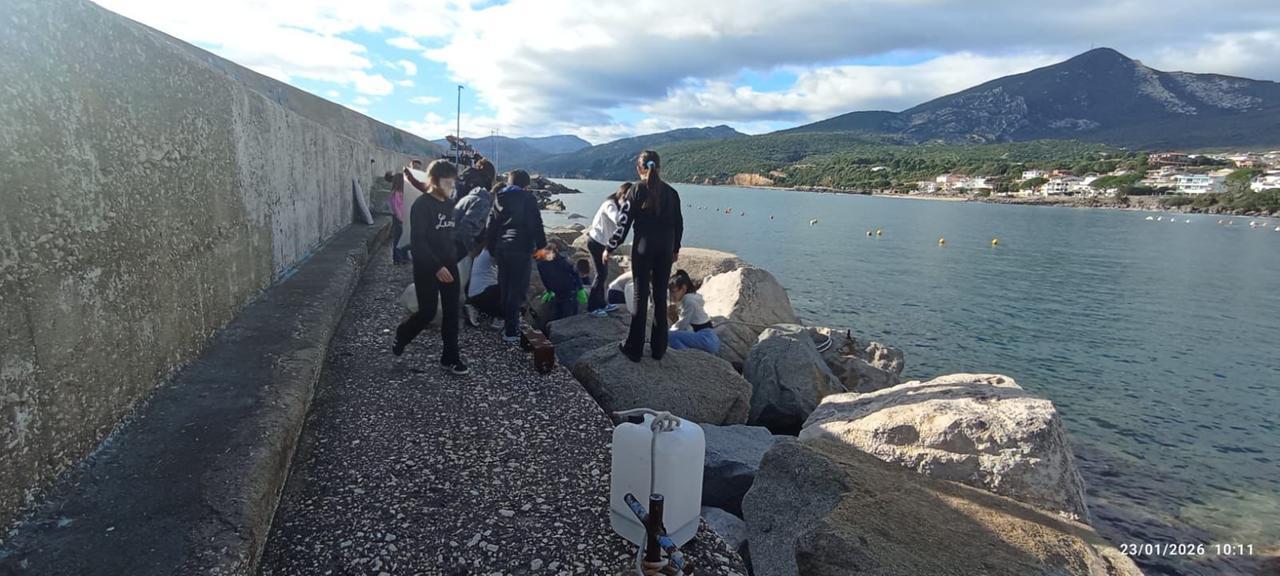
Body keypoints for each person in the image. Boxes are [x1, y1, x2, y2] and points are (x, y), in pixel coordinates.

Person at [605, 150, 684, 362]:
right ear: (659, 167)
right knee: (659, 297)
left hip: (643, 248)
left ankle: (634, 348)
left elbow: (623, 223)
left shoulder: (635, 190)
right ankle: (659, 349)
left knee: (640, 297)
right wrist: (675, 249)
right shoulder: (672, 193)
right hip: (665, 250)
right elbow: (679, 224)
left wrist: (610, 247)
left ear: (639, 168)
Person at [393, 160, 469, 376]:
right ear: (434, 181)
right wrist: (436, 267)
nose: (451, 186)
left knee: (452, 312)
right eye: (447, 182)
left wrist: (454, 258)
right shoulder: (422, 205)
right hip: (427, 266)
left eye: (453, 182)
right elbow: (419, 242)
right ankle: (403, 333)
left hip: (449, 265)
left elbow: (451, 236)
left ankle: (450, 357)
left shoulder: (450, 204)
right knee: (426, 312)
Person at [486, 170, 547, 344]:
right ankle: (511, 330)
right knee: (517, 289)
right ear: (526, 185)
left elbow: (491, 225)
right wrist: (542, 248)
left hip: (502, 249)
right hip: (521, 249)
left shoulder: (499, 197)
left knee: (504, 285)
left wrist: (492, 249)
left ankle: (504, 320)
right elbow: (536, 224)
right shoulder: (528, 199)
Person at [454, 159, 497, 321]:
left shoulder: (469, 187)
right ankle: (467, 306)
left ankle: (458, 304)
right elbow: (467, 227)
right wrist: (472, 249)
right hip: (459, 243)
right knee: (463, 276)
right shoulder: (483, 201)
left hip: (448, 236)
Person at [586, 183, 627, 316]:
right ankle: (592, 307)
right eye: (626, 198)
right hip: (596, 242)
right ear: (620, 194)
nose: (627, 202)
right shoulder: (610, 204)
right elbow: (617, 219)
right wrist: (629, 214)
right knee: (600, 274)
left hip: (602, 244)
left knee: (604, 274)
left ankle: (602, 303)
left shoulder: (617, 205)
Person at [667, 270, 720, 354]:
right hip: (711, 339)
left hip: (705, 338)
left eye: (673, 292)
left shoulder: (688, 301)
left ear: (684, 288)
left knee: (670, 336)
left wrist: (667, 332)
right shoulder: (693, 297)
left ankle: (686, 356)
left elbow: (682, 324)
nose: (671, 296)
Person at [536, 238, 586, 322]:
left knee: (568, 318)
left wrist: (580, 289)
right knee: (555, 317)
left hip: (570, 292)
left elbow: (575, 274)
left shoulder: (564, 261)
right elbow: (544, 278)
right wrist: (549, 291)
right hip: (557, 294)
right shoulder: (541, 264)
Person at [466, 246, 503, 327]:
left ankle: (477, 309)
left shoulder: (482, 251)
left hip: (474, 295)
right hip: (485, 294)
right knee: (510, 287)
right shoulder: (492, 252)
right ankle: (498, 317)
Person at [387, 171, 411, 265]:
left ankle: (404, 256)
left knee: (403, 238)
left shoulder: (400, 193)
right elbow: (396, 208)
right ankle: (398, 258)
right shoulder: (396, 194)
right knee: (398, 239)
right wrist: (401, 219)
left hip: (403, 218)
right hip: (399, 218)